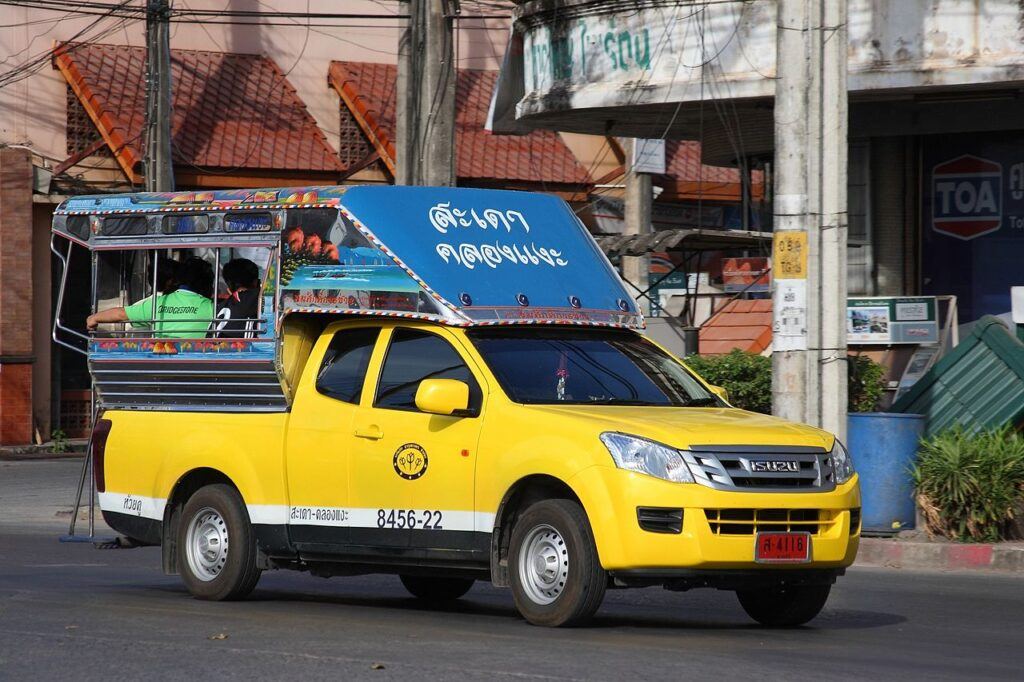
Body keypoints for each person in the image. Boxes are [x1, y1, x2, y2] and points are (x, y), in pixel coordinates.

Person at [86, 256, 214, 339]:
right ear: (207, 283)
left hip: (161, 365)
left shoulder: (157, 303)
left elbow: (121, 314)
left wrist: (94, 318)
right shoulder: (212, 307)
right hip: (198, 365)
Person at [211, 258, 261, 338]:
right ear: (255, 282)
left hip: (216, 347)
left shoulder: (221, 306)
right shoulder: (254, 298)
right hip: (245, 348)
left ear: (229, 284)